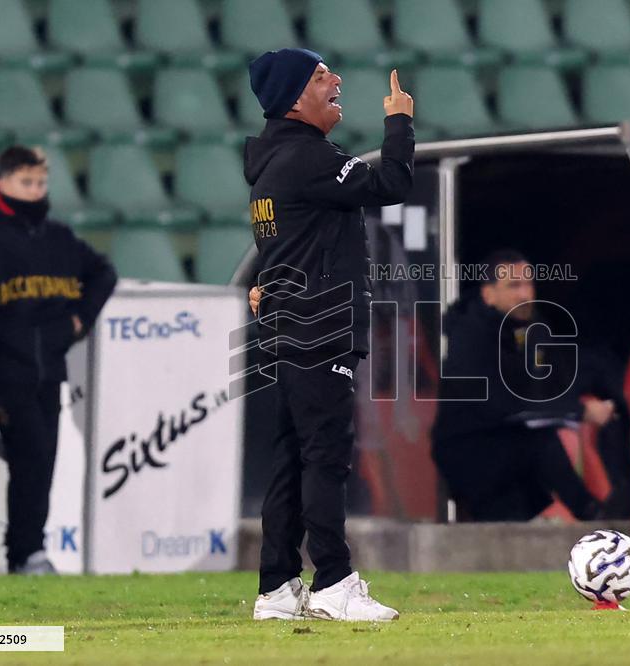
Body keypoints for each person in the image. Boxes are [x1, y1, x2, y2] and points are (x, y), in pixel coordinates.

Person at [244, 49, 414, 621]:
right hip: (321, 328)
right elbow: (391, 182)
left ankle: (277, 589)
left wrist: (267, 283)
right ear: (294, 98)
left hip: (291, 324)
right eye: (321, 77)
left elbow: (286, 240)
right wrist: (399, 120)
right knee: (326, 457)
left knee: (293, 457)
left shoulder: (270, 162)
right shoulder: (308, 157)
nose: (336, 80)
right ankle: (334, 584)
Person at [0, 146, 117, 574]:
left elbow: (103, 272)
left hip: (48, 368)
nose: (35, 190)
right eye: (26, 182)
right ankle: (26, 553)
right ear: (3, 183)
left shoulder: (57, 237)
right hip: (3, 369)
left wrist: (79, 320)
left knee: (41, 458)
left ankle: (27, 552)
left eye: (40, 183)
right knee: (33, 454)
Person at [432, 250, 630, 522]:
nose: (524, 294)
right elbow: (504, 405)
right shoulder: (470, 336)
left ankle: (603, 510)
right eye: (514, 286)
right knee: (541, 442)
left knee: (513, 518)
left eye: (528, 284)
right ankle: (592, 513)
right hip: (469, 447)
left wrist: (592, 402)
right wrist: (580, 411)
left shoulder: (533, 328)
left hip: (507, 443)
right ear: (488, 294)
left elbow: (554, 384)